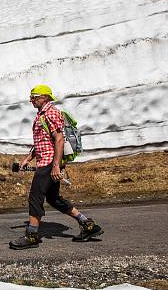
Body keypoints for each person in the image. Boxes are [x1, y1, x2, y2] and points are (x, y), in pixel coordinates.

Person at [9, 85, 103, 250]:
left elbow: (59, 140)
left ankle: (32, 236)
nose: (31, 99)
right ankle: (88, 225)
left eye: (34, 96)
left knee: (35, 197)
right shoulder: (42, 115)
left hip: (49, 163)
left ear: (45, 97)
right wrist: (28, 159)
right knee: (53, 199)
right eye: (31, 96)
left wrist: (56, 166)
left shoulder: (51, 113)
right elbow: (41, 142)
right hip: (47, 162)